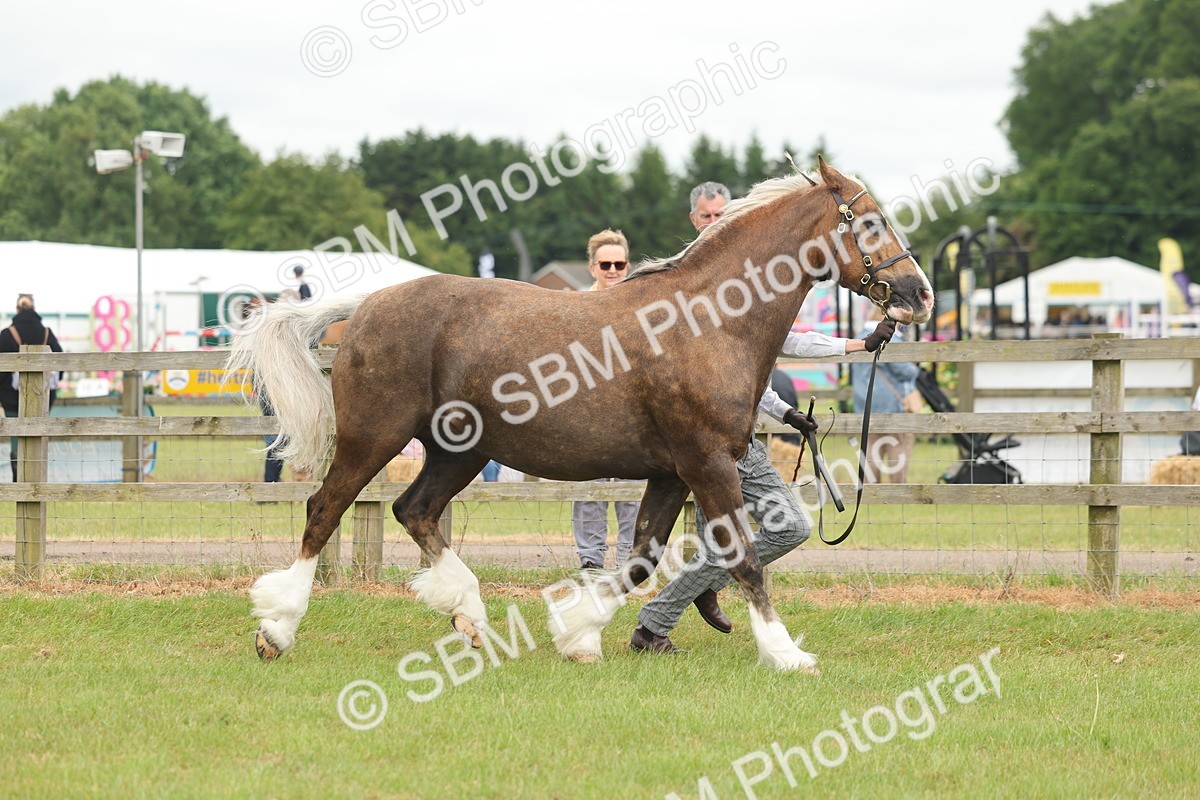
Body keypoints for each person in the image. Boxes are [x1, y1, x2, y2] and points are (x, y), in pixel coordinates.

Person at [629, 184, 897, 652]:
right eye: (708, 216)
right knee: (777, 528)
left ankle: (666, 613)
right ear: (695, 221)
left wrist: (794, 400)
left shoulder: (744, 284)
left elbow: (775, 350)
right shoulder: (689, 288)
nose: (716, 222)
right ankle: (672, 608)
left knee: (729, 539)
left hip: (728, 431)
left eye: (723, 215)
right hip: (700, 433)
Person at [572, 229, 639, 569]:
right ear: (592, 267)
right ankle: (590, 563)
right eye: (606, 264)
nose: (613, 270)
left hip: (632, 415)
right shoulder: (577, 307)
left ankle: (629, 563)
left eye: (619, 264)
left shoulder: (640, 306)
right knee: (590, 490)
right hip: (589, 414)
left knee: (632, 493)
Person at [852, 306, 919, 484]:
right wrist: (915, 368)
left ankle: (870, 489)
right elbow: (905, 371)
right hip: (891, 402)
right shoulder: (892, 340)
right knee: (897, 445)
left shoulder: (859, 336)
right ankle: (897, 488)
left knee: (871, 447)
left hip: (865, 402)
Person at [0, 294, 64, 482]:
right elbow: (60, 363)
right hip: (43, 396)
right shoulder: (46, 333)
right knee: (37, 437)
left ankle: (19, 482)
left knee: (16, 439)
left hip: (12, 398)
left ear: (17, 309)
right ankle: (37, 481)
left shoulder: (7, 334)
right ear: (34, 308)